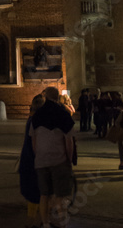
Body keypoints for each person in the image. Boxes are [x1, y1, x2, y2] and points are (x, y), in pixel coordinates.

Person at [30, 85, 76, 227]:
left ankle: (45, 223)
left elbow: (33, 141)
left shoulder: (37, 115)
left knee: (44, 195)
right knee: (60, 196)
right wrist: (69, 158)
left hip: (41, 161)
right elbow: (69, 142)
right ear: (57, 97)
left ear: (46, 97)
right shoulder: (63, 114)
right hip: (59, 161)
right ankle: (62, 223)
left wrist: (38, 156)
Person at [19, 94, 44, 228]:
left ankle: (33, 221)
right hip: (35, 161)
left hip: (27, 160)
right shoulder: (37, 121)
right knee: (39, 192)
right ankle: (38, 221)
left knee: (33, 194)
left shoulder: (31, 119)